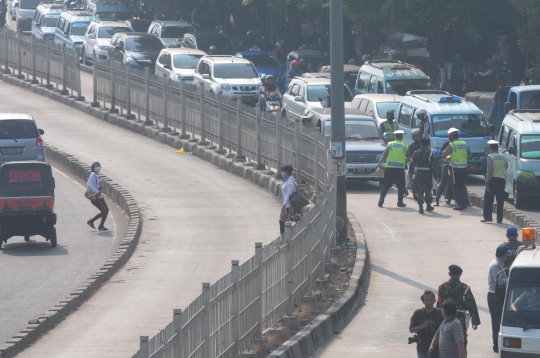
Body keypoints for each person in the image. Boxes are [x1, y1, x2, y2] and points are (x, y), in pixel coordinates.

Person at [437, 264, 480, 349]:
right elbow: (471, 305)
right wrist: (475, 321)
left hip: (445, 317)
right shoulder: (465, 288)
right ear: (460, 274)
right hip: (460, 318)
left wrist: (438, 319)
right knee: (461, 340)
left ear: (449, 274)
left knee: (446, 338)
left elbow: (439, 305)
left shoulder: (442, 287)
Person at [377, 130, 408, 208]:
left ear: (395, 137)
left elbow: (384, 156)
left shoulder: (390, 144)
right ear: (402, 137)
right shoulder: (405, 146)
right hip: (400, 168)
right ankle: (400, 202)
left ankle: (381, 200)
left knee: (385, 184)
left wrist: (381, 162)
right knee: (401, 185)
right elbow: (408, 157)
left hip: (389, 168)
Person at [409, 290, 443, 358]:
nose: (428, 302)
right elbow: (411, 329)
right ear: (423, 301)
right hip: (422, 348)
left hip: (438, 348)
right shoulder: (418, 313)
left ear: (434, 301)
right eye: (426, 300)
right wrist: (423, 326)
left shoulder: (439, 313)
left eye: (431, 300)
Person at [488, 245, 509, 353]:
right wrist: (512, 281)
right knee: (496, 321)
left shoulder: (500, 264)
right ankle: (496, 344)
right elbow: (500, 280)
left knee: (500, 319)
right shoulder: (496, 265)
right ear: (504, 254)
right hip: (495, 295)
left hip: (499, 294)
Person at [481, 140, 508, 223]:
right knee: (500, 200)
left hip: (493, 180)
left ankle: (488, 217)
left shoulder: (490, 157)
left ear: (491, 148)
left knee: (488, 199)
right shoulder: (503, 156)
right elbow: (506, 166)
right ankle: (499, 219)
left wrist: (487, 182)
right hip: (502, 180)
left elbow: (489, 171)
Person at [441, 128, 468, 210]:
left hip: (455, 168)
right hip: (464, 167)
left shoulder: (452, 145)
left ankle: (459, 204)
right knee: (462, 185)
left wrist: (448, 156)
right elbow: (467, 152)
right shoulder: (464, 143)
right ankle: (464, 203)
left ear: (451, 137)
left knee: (455, 186)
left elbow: (443, 154)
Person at [411, 138, 437, 213]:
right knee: (428, 190)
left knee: (420, 190)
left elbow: (412, 162)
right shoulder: (430, 153)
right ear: (427, 144)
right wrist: (436, 175)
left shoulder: (416, 152)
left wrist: (411, 171)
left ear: (420, 144)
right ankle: (428, 206)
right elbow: (433, 165)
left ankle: (420, 207)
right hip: (428, 174)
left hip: (418, 173)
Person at [279, 164, 303, 234]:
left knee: (282, 221)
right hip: (289, 206)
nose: (282, 173)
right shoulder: (287, 180)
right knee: (297, 220)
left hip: (290, 206)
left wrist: (284, 205)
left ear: (287, 172)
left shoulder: (289, 182)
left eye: (283, 171)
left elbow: (289, 194)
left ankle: (283, 239)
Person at [86, 162, 109, 231]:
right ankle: (91, 221)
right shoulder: (93, 174)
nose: (97, 167)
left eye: (98, 166)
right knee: (104, 211)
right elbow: (89, 184)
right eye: (96, 166)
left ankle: (101, 226)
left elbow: (98, 186)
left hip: (99, 195)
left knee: (106, 210)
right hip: (95, 196)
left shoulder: (97, 175)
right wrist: (96, 191)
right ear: (93, 168)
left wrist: (100, 194)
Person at [405, 128, 423, 195]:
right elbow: (409, 155)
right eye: (415, 136)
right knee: (407, 174)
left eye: (418, 135)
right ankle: (405, 188)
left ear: (420, 136)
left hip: (423, 164)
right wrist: (409, 159)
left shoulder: (424, 143)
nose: (417, 137)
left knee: (431, 175)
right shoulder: (411, 145)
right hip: (413, 163)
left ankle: (434, 189)